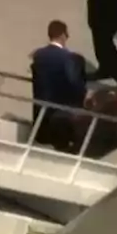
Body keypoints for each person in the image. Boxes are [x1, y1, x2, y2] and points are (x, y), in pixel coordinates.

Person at [30, 20, 87, 150]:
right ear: (62, 35)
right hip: (62, 119)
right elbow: (76, 86)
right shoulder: (70, 58)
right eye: (66, 34)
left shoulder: (39, 55)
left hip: (41, 118)